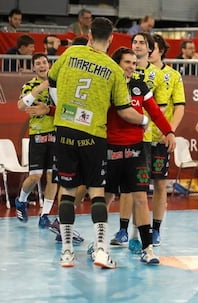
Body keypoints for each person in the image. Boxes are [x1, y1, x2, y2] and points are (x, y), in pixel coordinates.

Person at [48, 17, 149, 268]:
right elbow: (124, 110)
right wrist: (145, 120)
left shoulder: (71, 53)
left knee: (68, 192)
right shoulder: (113, 69)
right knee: (96, 193)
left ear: (89, 35)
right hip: (94, 135)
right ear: (112, 39)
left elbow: (51, 80)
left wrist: (61, 106)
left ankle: (68, 252)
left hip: (64, 129)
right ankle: (102, 251)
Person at [102, 47, 175, 264]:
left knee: (141, 199)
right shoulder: (106, 85)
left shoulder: (139, 86)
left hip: (136, 150)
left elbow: (155, 112)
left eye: (134, 63)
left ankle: (148, 249)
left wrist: (169, 131)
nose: (132, 67)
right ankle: (99, 244)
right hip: (110, 150)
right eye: (128, 62)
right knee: (105, 199)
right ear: (117, 63)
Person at [126, 32, 168, 251]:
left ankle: (140, 234)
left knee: (143, 188)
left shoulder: (158, 76)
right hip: (125, 137)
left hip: (148, 137)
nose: (138, 45)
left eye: (143, 43)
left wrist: (168, 131)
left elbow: (158, 110)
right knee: (119, 190)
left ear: (151, 49)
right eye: (135, 42)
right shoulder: (123, 72)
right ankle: (119, 233)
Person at [149, 34, 186, 247]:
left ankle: (156, 228)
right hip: (140, 137)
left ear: (161, 50)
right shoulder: (137, 72)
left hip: (161, 139)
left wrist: (169, 130)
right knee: (134, 186)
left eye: (152, 47)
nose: (149, 50)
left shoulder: (173, 76)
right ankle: (129, 229)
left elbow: (179, 106)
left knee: (160, 184)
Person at [15, 53, 57, 226]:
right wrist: (40, 88)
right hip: (38, 136)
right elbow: (20, 106)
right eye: (38, 63)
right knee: (35, 176)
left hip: (55, 135)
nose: (42, 65)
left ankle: (44, 215)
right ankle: (21, 200)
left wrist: (49, 109)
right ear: (33, 67)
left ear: (49, 65)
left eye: (44, 62)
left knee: (53, 176)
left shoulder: (58, 84)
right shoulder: (30, 85)